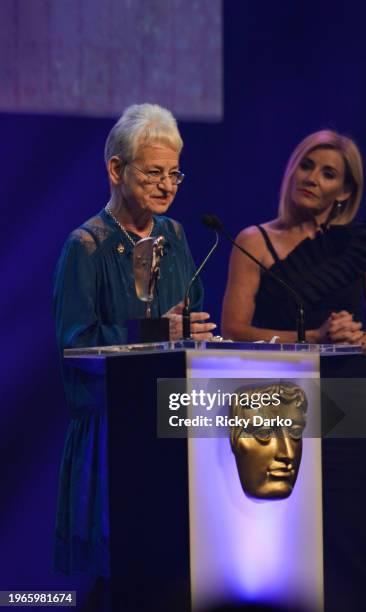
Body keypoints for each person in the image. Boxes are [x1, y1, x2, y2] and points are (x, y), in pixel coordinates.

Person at [221, 130, 366, 611]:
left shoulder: (363, 248)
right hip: (280, 398)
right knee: (284, 538)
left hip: (352, 401)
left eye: (328, 173)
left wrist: (351, 338)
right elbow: (235, 328)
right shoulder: (254, 241)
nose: (312, 178)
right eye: (306, 166)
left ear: (345, 192)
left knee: (358, 534)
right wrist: (310, 340)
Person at [53, 103, 216, 578]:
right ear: (116, 169)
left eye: (175, 174)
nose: (167, 186)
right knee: (118, 579)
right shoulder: (86, 246)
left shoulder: (178, 236)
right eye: (154, 173)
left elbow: (185, 317)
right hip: (111, 432)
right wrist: (154, 334)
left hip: (172, 419)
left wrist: (198, 335)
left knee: (170, 575)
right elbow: (75, 345)